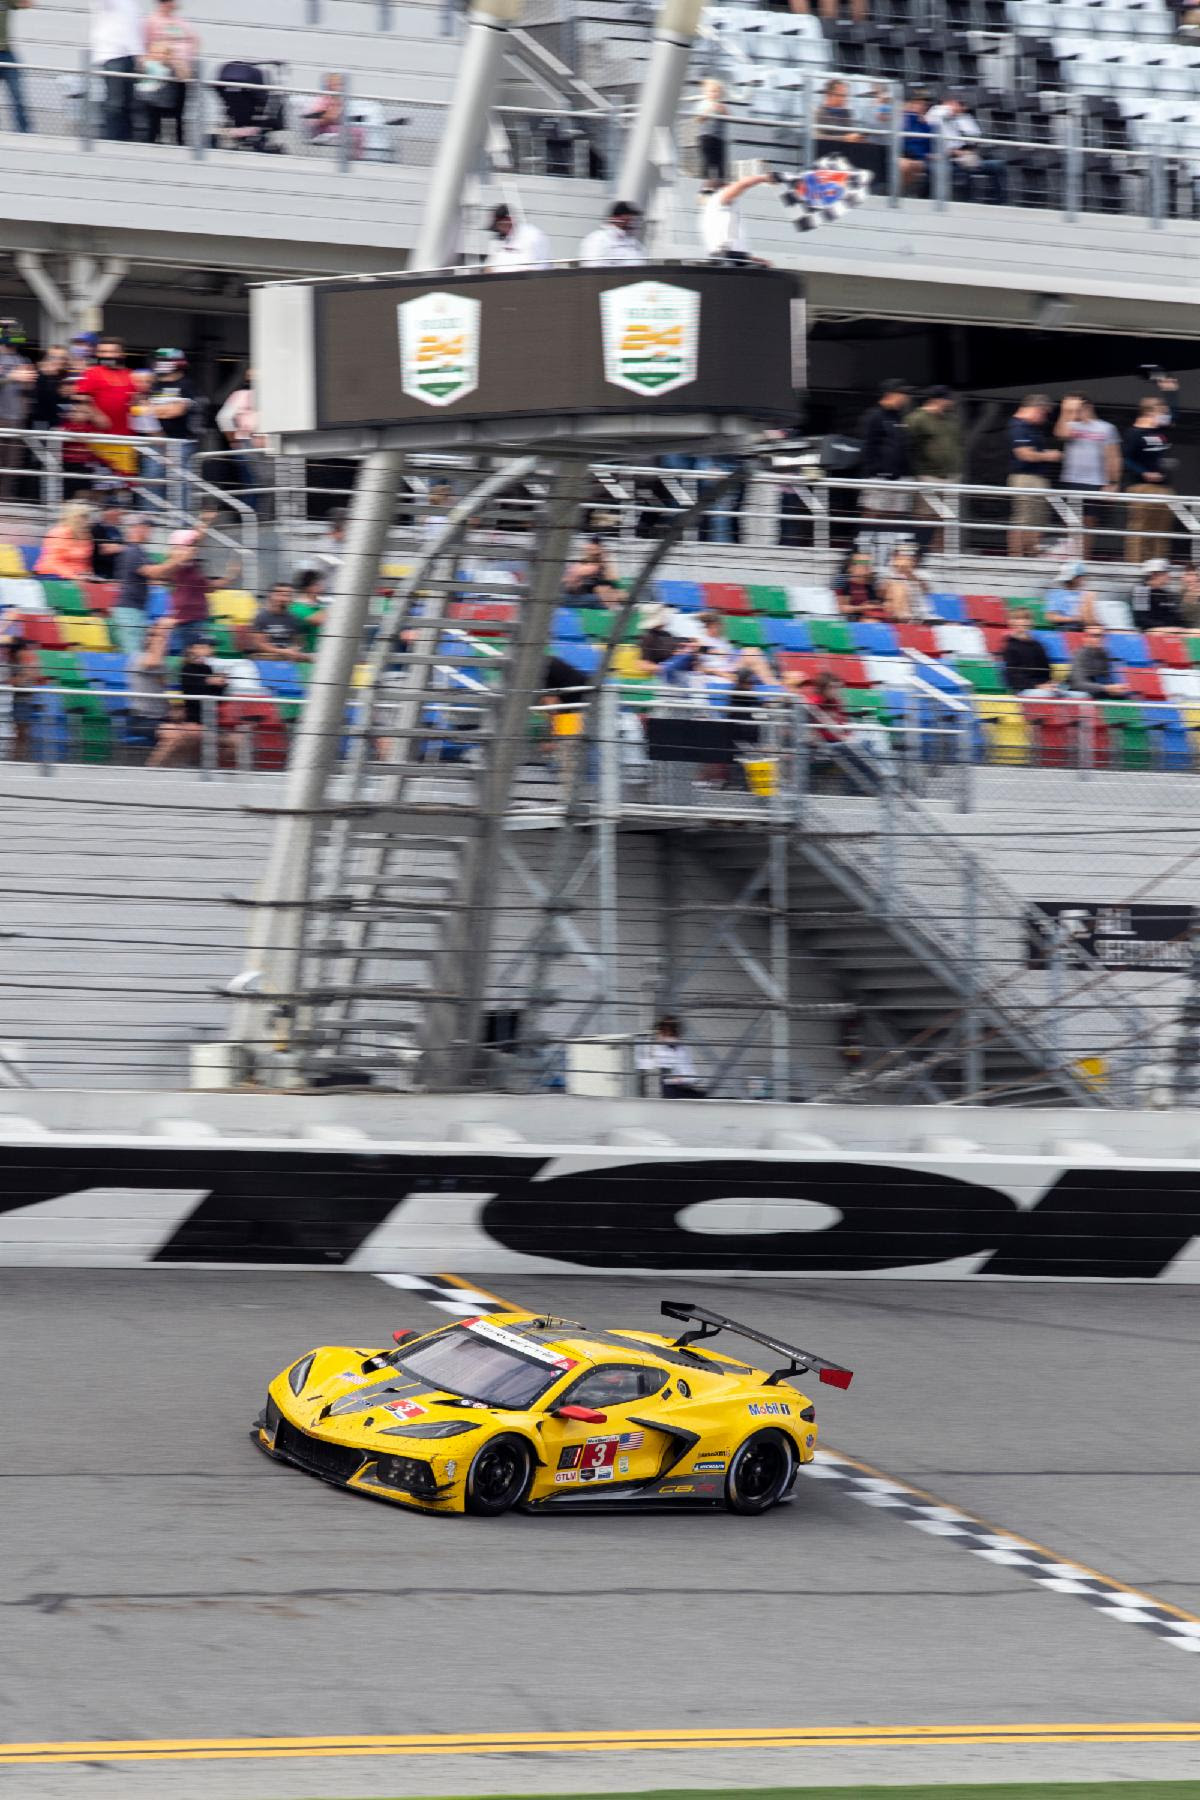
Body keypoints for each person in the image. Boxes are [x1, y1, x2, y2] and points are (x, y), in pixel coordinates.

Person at [1055, 393, 1120, 560]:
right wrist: (1065, 411)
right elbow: (1060, 433)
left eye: (1079, 408)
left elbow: (1113, 456)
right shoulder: (1070, 425)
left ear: (1088, 407)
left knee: (1089, 522)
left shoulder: (1106, 428)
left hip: (1095, 481)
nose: (1076, 412)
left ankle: (1084, 558)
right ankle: (1068, 558)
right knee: (1070, 522)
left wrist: (1113, 482)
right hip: (1071, 480)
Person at [147, 634, 227, 767]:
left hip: (204, 720)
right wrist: (208, 682)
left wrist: (220, 687)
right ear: (192, 649)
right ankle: (151, 770)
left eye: (211, 647)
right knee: (187, 736)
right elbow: (185, 697)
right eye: (206, 646)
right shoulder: (184, 669)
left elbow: (214, 700)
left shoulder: (207, 669)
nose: (211, 650)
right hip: (186, 720)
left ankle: (201, 770)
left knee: (233, 742)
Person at [1124, 379, 1178, 564]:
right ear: (1149, 413)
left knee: (1162, 529)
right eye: (1160, 413)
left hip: (1163, 487)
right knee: (1141, 529)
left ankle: (1159, 565)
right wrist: (1143, 473)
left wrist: (1171, 393)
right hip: (1142, 487)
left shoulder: (1161, 430)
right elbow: (1125, 458)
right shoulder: (1134, 433)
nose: (1164, 417)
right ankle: (1136, 563)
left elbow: (1174, 417)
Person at [905, 386, 962, 551]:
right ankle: (921, 550)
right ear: (938, 399)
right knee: (925, 515)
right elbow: (908, 445)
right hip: (928, 475)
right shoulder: (917, 418)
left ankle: (941, 552)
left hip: (952, 476)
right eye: (948, 399)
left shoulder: (951, 419)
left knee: (947, 517)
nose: (951, 402)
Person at [73, 335, 138, 479]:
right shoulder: (92, 372)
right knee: (99, 485)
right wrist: (96, 414)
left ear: (121, 354)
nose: (105, 355)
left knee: (124, 485)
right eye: (102, 352)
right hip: (98, 440)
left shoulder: (131, 375)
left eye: (110, 352)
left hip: (125, 439)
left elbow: (137, 400)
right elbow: (79, 397)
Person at [926, 91, 1006, 204]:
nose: (962, 107)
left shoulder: (964, 117)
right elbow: (940, 114)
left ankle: (998, 204)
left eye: (962, 104)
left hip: (966, 154)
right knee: (963, 171)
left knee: (998, 166)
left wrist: (968, 149)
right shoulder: (936, 113)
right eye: (958, 103)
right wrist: (951, 109)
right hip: (945, 158)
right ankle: (965, 202)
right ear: (947, 103)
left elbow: (975, 136)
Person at [1006, 393, 1060, 557]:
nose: (1044, 419)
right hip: (1025, 478)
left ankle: (1031, 554)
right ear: (1037, 409)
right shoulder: (1018, 426)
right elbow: (1024, 454)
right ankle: (1017, 557)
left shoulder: (1030, 427)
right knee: (1024, 519)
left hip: (1036, 478)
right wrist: (1048, 456)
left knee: (1037, 520)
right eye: (1044, 413)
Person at [139, 0, 197, 144]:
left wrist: (187, 56)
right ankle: (153, 142)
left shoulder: (178, 21)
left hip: (180, 72)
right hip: (161, 72)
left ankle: (179, 142)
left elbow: (193, 40)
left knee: (178, 112)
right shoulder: (152, 21)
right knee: (155, 112)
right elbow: (144, 46)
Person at [858, 377, 913, 525]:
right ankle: (864, 547)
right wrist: (875, 474)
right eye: (902, 393)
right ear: (891, 394)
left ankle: (887, 547)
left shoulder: (899, 417)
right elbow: (868, 447)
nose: (906, 397)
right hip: (879, 478)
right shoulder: (874, 416)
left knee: (894, 519)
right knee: (872, 515)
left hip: (900, 478)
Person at [92, 0, 144, 143]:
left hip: (130, 56)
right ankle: (113, 139)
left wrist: (139, 55)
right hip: (112, 54)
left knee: (129, 102)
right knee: (115, 102)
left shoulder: (132, 4)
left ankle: (126, 139)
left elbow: (133, 31)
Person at [699, 170, 777, 264]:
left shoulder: (713, 212)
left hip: (726, 257)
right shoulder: (719, 198)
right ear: (724, 188)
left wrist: (753, 260)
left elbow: (730, 241)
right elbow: (743, 184)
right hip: (728, 258)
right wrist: (766, 177)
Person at [149, 346, 201, 485]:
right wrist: (162, 410)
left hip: (182, 443)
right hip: (157, 443)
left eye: (164, 360)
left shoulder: (187, 385)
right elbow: (143, 412)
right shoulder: (154, 386)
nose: (158, 363)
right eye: (158, 360)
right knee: (152, 484)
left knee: (180, 485)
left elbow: (176, 411)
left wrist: (154, 410)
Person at [110, 514, 158, 655]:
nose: (150, 531)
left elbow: (157, 575)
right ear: (137, 528)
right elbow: (153, 573)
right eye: (147, 527)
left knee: (136, 657)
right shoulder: (132, 551)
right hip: (129, 611)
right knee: (133, 658)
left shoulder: (139, 552)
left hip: (136, 610)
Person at [0, 317, 33, 499]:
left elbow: (27, 392)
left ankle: (6, 503)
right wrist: (12, 377)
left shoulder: (23, 359)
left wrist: (28, 383)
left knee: (11, 467)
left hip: (16, 420)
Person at [636, 1015, 704, 1099]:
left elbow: (689, 1073)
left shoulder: (681, 1048)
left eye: (672, 1031)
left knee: (701, 1096)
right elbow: (646, 1067)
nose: (671, 1036)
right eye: (665, 1031)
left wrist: (681, 1079)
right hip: (663, 1088)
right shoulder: (652, 1047)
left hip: (680, 1086)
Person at [164, 526, 209, 650]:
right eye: (191, 544)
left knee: (195, 652)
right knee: (179, 653)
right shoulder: (178, 561)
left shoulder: (192, 562)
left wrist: (205, 522)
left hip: (196, 615)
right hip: (182, 617)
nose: (195, 547)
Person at [248, 582, 313, 662]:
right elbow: (259, 644)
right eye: (280, 595)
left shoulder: (294, 618)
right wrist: (284, 652)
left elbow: (299, 641)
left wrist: (294, 649)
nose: (284, 599)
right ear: (271, 596)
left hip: (289, 658)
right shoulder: (260, 617)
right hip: (267, 659)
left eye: (288, 595)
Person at [35, 500, 95, 580]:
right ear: (72, 517)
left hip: (77, 577)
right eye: (83, 516)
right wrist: (74, 577)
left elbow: (86, 563)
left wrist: (89, 575)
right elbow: (54, 562)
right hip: (53, 575)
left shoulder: (86, 536)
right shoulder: (58, 533)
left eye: (87, 517)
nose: (87, 521)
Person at [1001, 609, 1056, 695]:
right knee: (1046, 694)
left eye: (1026, 618)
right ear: (1011, 622)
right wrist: (1037, 686)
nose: (1022, 621)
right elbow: (1013, 678)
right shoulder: (1009, 647)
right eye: (1018, 619)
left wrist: (1050, 684)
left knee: (1076, 695)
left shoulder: (1039, 646)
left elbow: (1046, 671)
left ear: (1031, 622)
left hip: (1042, 686)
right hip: (1022, 689)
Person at [1069, 623, 1130, 699]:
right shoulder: (1079, 655)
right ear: (1085, 638)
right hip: (1084, 694)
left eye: (1101, 636)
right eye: (1094, 636)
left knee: (1125, 697)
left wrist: (1117, 688)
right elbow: (1078, 684)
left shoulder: (1107, 653)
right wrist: (1106, 688)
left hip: (1101, 692)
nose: (1098, 639)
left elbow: (1112, 680)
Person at [483, 204, 551, 272]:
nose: (498, 230)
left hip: (525, 281)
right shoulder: (501, 238)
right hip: (499, 281)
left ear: (508, 220)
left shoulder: (532, 236)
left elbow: (537, 269)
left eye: (498, 225)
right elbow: (488, 267)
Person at [579, 200, 647, 268]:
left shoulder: (636, 244)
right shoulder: (598, 239)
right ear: (616, 217)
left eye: (634, 217)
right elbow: (593, 269)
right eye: (629, 216)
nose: (633, 220)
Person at [0, 0, 31, 134]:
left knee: (17, 95)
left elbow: (27, 3)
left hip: (6, 52)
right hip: (7, 54)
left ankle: (23, 132)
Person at [562, 535, 619, 607]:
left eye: (596, 545)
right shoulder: (582, 562)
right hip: (581, 590)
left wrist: (604, 561)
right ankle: (614, 610)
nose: (594, 547)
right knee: (601, 589)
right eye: (592, 544)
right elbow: (575, 575)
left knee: (614, 592)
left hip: (596, 590)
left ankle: (614, 610)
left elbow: (613, 579)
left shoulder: (603, 563)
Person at [881, 543, 930, 623]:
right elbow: (882, 594)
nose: (903, 559)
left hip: (920, 616)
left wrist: (908, 573)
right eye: (900, 556)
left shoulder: (923, 573)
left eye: (906, 556)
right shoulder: (891, 574)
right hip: (899, 617)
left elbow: (926, 590)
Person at [1043, 561, 1097, 631]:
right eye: (1080, 577)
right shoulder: (1056, 594)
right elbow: (1050, 617)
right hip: (1066, 628)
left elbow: (1091, 618)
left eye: (1082, 576)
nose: (1082, 579)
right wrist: (1074, 619)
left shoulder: (1086, 594)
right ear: (1074, 578)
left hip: (1085, 628)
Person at [835, 548, 885, 620]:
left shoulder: (871, 584)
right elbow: (842, 608)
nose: (866, 567)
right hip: (856, 621)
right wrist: (862, 608)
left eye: (868, 563)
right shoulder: (846, 584)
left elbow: (878, 602)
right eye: (862, 563)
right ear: (851, 567)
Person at [694, 78, 728, 185]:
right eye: (711, 91)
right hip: (706, 137)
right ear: (706, 93)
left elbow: (727, 118)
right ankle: (704, 181)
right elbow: (698, 119)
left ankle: (720, 182)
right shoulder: (703, 104)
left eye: (716, 91)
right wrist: (709, 110)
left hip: (719, 138)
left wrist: (723, 110)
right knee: (707, 160)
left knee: (720, 162)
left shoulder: (722, 106)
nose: (714, 94)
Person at [29, 343, 69, 431]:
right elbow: (41, 402)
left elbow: (66, 402)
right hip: (41, 423)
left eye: (61, 358)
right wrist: (45, 375)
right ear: (47, 358)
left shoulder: (65, 377)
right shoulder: (38, 376)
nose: (57, 361)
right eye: (53, 357)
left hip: (61, 424)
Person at [901, 91, 935, 192]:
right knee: (907, 165)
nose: (922, 106)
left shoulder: (926, 125)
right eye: (918, 103)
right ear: (911, 104)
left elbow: (928, 145)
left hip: (921, 158)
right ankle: (900, 194)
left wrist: (929, 155)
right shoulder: (905, 119)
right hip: (906, 155)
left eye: (924, 104)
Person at [90, 490, 126, 579]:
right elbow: (103, 550)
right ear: (107, 511)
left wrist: (118, 548)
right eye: (117, 509)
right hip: (102, 574)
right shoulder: (97, 528)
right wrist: (122, 548)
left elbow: (123, 548)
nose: (120, 513)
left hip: (117, 574)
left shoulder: (117, 530)